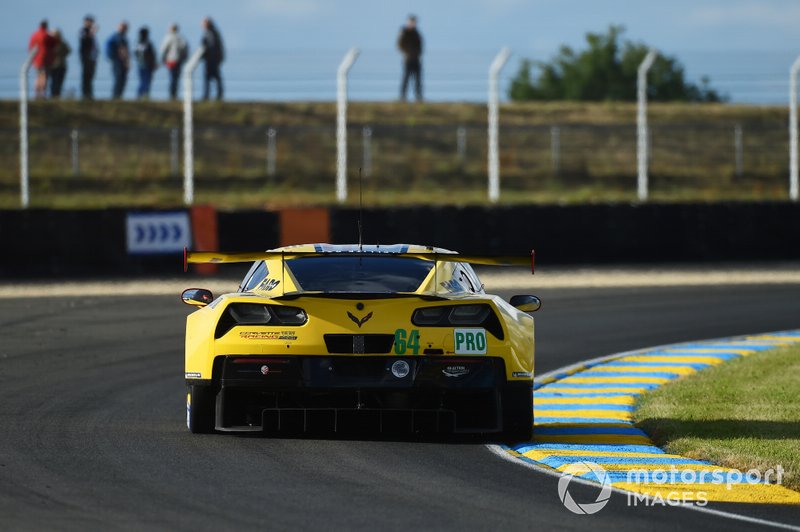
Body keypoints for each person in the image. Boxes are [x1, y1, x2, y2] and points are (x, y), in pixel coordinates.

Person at [397, 15, 423, 102]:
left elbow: (420, 46)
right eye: (411, 22)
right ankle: (403, 97)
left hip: (416, 59)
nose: (413, 24)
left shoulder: (417, 33)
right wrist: (408, 53)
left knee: (418, 80)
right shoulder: (404, 32)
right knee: (406, 78)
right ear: (408, 22)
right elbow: (400, 45)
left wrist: (418, 55)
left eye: (414, 22)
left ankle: (418, 97)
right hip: (408, 60)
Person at [160, 23, 188, 100]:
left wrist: (163, 58)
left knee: (172, 78)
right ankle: (174, 94)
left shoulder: (168, 37)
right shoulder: (181, 38)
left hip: (171, 60)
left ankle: (172, 94)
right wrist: (184, 58)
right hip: (178, 60)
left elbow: (163, 49)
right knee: (176, 78)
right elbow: (185, 48)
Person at [29, 20, 55, 99]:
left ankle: (37, 93)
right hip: (45, 60)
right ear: (46, 26)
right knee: (44, 76)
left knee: (37, 76)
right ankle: (43, 94)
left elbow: (30, 47)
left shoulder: (34, 35)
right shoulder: (47, 35)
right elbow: (54, 43)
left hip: (36, 59)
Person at [200, 17, 224, 101]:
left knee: (213, 78)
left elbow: (211, 47)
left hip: (211, 60)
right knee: (213, 78)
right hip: (212, 59)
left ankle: (212, 95)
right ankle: (212, 95)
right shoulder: (212, 33)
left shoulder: (211, 33)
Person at [106, 21, 130, 99]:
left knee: (119, 80)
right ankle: (116, 97)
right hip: (119, 61)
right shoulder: (119, 37)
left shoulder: (116, 37)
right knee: (119, 79)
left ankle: (117, 96)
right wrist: (126, 61)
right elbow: (122, 49)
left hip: (116, 61)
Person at [79, 15, 98, 100]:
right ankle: (85, 94)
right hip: (86, 57)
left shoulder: (90, 32)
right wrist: (91, 33)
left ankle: (89, 93)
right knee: (86, 76)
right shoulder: (83, 31)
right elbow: (84, 41)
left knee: (90, 76)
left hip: (92, 57)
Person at [135, 26, 157, 99]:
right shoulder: (147, 43)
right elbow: (151, 54)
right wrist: (153, 63)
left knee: (143, 81)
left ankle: (140, 95)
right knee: (146, 81)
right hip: (146, 65)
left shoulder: (137, 43)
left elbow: (136, 54)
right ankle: (144, 95)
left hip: (140, 65)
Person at [49, 29, 71, 98]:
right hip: (56, 65)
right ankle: (54, 94)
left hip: (59, 65)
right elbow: (68, 51)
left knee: (57, 81)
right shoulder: (61, 43)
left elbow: (68, 51)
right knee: (55, 81)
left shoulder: (61, 43)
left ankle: (56, 94)